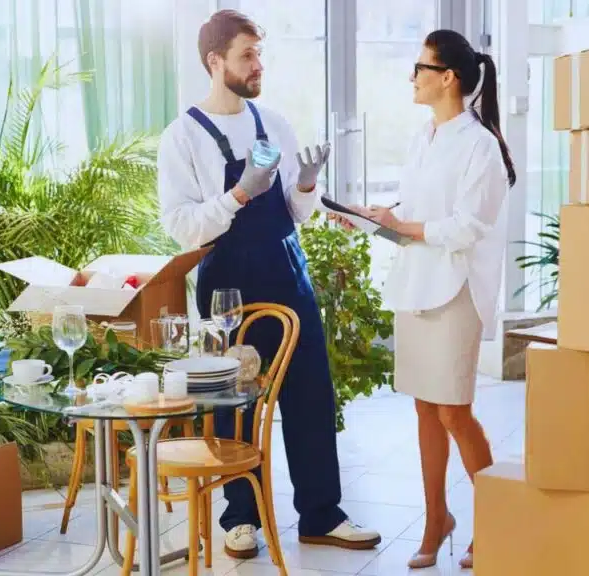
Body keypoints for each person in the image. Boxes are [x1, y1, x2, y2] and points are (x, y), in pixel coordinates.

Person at [156, 9, 381, 560]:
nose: (258, 65)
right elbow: (181, 226)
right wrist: (236, 196)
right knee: (231, 397)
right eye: (246, 55)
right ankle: (240, 520)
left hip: (287, 268)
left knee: (310, 392)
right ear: (215, 61)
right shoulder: (182, 136)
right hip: (227, 279)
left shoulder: (273, 123)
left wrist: (304, 184)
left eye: (260, 54)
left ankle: (321, 514)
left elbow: (296, 212)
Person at [331, 29, 515, 571]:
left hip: (455, 289)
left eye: (419, 66)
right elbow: (412, 217)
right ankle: (437, 518)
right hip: (416, 286)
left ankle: (497, 517)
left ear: (447, 77)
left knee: (455, 411)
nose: (412, 76)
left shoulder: (481, 146)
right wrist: (370, 220)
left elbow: (466, 227)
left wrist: (401, 222)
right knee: (425, 410)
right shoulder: (423, 138)